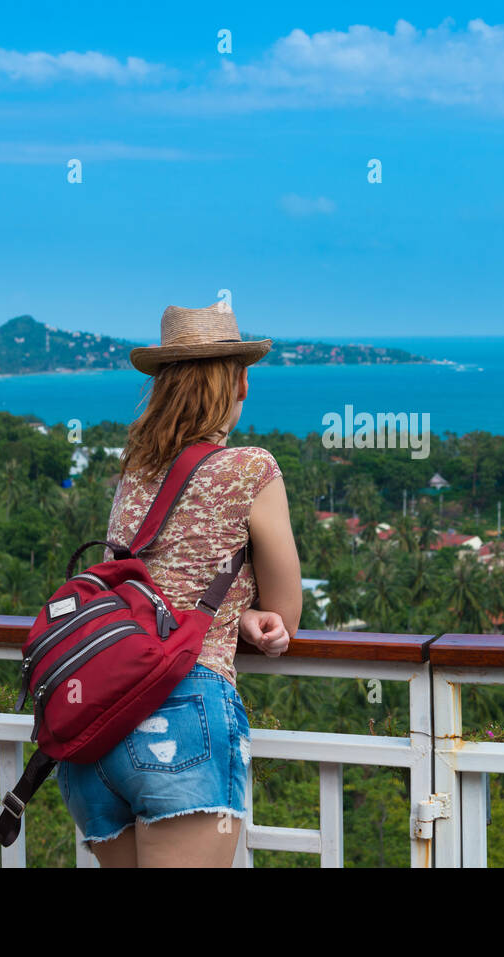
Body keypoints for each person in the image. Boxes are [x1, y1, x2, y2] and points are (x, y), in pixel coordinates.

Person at [56, 302, 302, 867]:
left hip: (97, 720)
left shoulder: (134, 470)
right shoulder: (251, 468)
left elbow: (146, 588)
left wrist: (230, 610)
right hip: (182, 710)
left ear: (164, 387)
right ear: (240, 383)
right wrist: (243, 615)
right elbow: (286, 613)